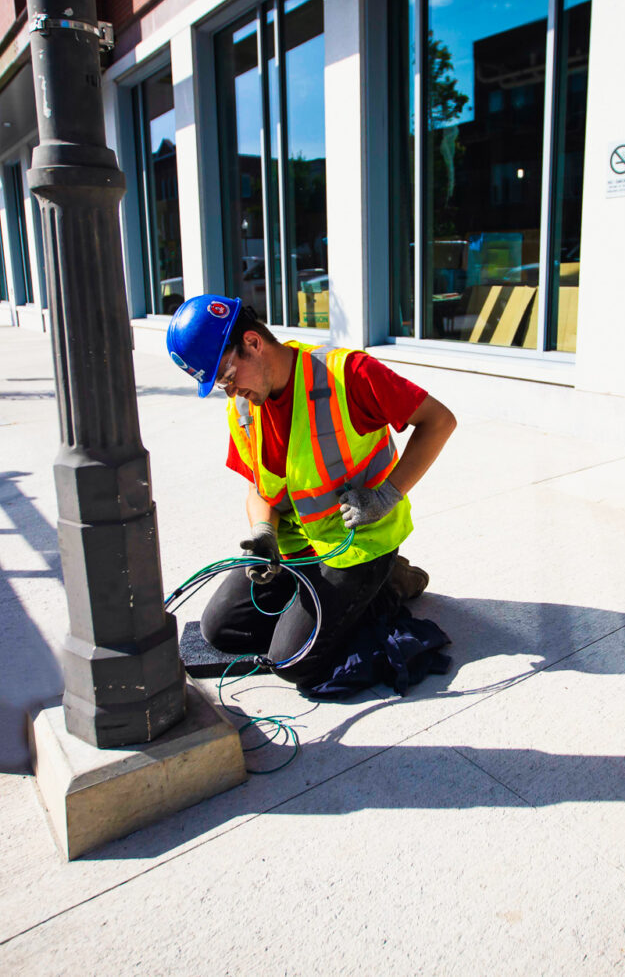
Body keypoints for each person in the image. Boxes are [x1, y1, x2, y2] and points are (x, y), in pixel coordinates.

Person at [166, 294, 457, 689]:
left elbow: (439, 421)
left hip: (357, 543)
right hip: (294, 548)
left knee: (293, 662)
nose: (231, 392)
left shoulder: (347, 374)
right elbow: (258, 488)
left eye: (228, 377)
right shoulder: (243, 409)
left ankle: (386, 583)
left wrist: (386, 495)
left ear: (252, 343)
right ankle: (324, 608)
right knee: (219, 631)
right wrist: (263, 533)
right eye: (220, 385)